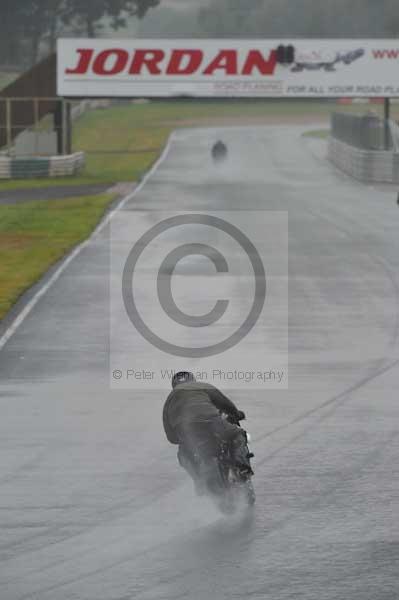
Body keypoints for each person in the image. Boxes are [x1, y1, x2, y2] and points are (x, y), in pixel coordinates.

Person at [162, 371, 252, 493]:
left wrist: (183, 438)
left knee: (183, 454)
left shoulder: (169, 400)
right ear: (193, 380)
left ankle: (200, 483)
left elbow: (171, 437)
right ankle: (241, 468)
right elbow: (224, 402)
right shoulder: (201, 386)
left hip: (186, 430)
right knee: (237, 434)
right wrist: (236, 414)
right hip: (210, 420)